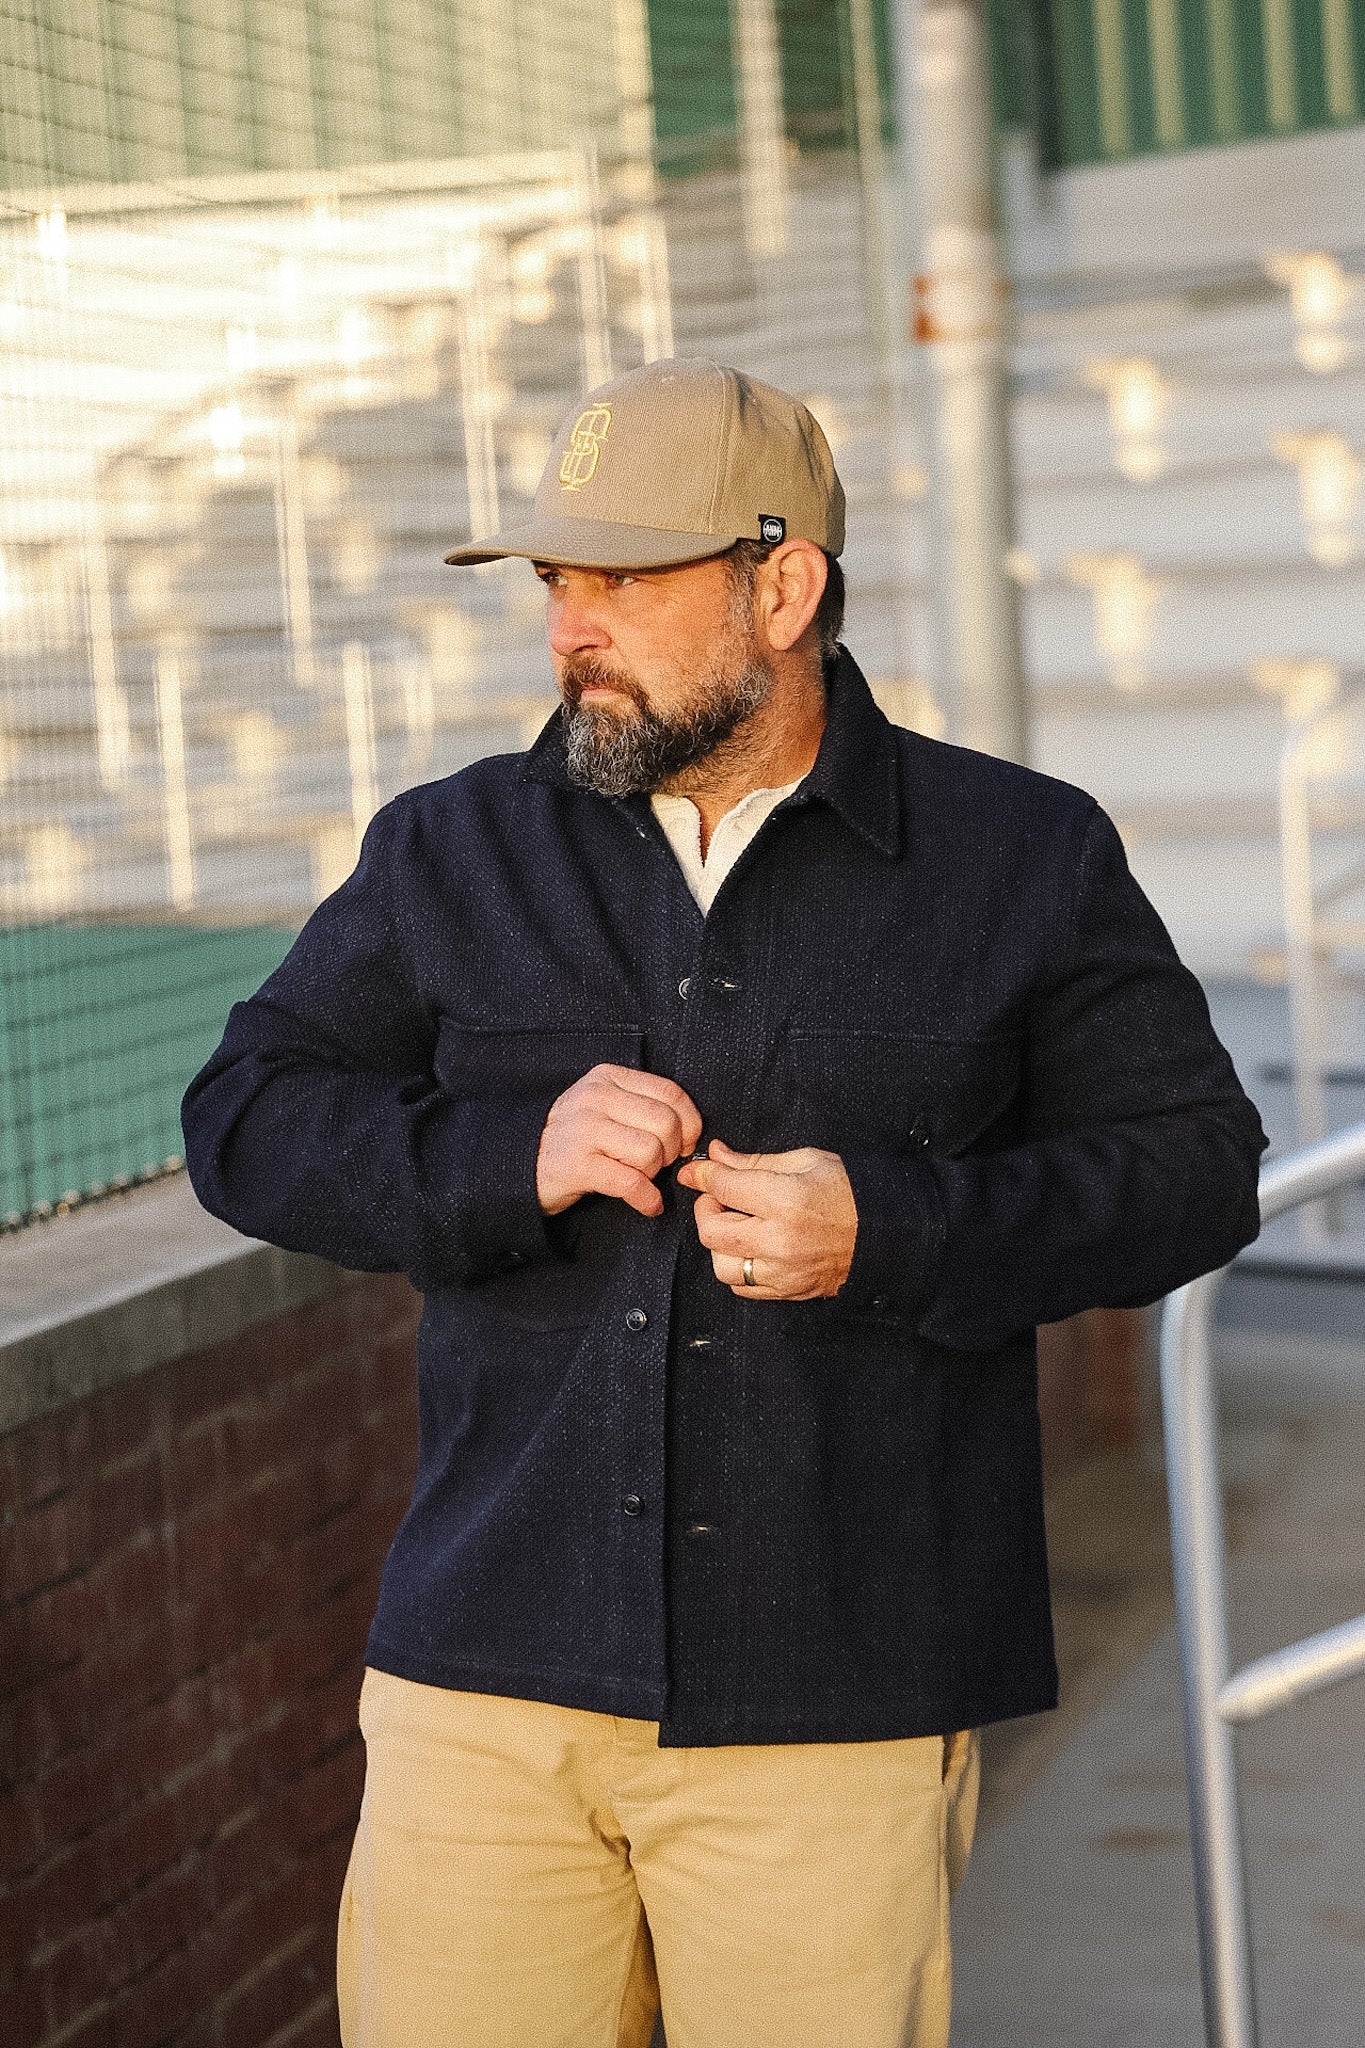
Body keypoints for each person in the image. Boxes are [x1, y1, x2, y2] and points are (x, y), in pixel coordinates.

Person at [181, 357, 1267, 2048]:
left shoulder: (1020, 856)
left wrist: (895, 1229)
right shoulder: (447, 850)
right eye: (556, 580)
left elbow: (1195, 1167)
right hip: (482, 1689)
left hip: (837, 1703)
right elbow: (245, 1118)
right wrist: (504, 1156)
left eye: (621, 579)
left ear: (783, 586)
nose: (568, 628)